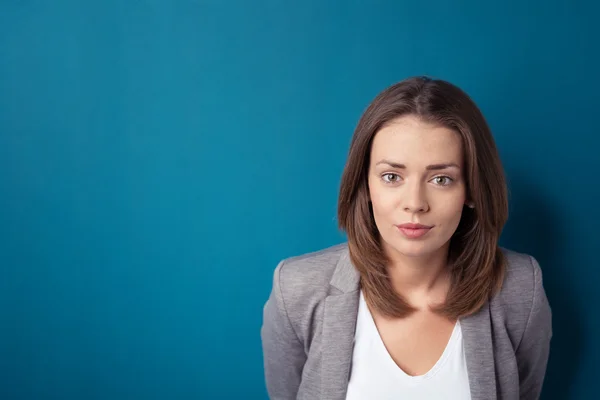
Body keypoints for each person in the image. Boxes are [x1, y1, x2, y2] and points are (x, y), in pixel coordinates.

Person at [260, 76, 552, 400]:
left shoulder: (520, 289)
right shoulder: (296, 291)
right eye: (392, 176)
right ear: (365, 184)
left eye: (441, 179)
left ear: (471, 189)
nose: (415, 202)